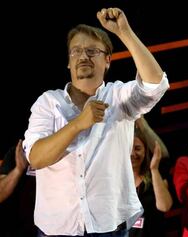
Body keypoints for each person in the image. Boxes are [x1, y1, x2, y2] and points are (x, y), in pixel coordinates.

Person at [23, 7, 169, 236]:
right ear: (69, 63)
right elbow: (36, 158)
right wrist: (78, 124)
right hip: (58, 229)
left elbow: (155, 84)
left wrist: (125, 33)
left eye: (92, 51)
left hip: (109, 226)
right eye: (76, 51)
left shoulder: (119, 97)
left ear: (108, 60)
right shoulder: (48, 102)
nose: (83, 56)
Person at [129, 116, 173, 237]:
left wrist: (142, 123)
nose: (133, 154)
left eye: (138, 148)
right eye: (129, 149)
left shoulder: (154, 176)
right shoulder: (117, 181)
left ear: (145, 151)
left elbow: (165, 206)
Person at [0, 139, 36, 237]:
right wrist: (18, 170)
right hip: (19, 229)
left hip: (57, 227)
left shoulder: (67, 151)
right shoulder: (17, 152)